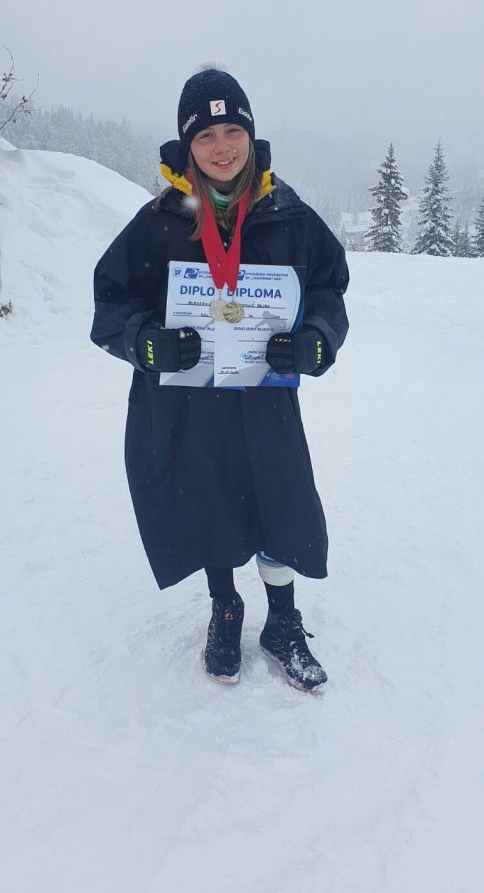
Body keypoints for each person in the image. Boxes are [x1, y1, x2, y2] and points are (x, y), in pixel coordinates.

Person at [90, 66, 349, 693]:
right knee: (209, 502)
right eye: (205, 136)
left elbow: (328, 289)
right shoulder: (160, 220)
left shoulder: (287, 214)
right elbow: (112, 301)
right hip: (191, 404)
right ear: (187, 146)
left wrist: (316, 339)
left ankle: (282, 621)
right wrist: (145, 342)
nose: (222, 146)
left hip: (265, 399)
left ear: (251, 136)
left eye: (233, 130)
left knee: (280, 501)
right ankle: (225, 608)